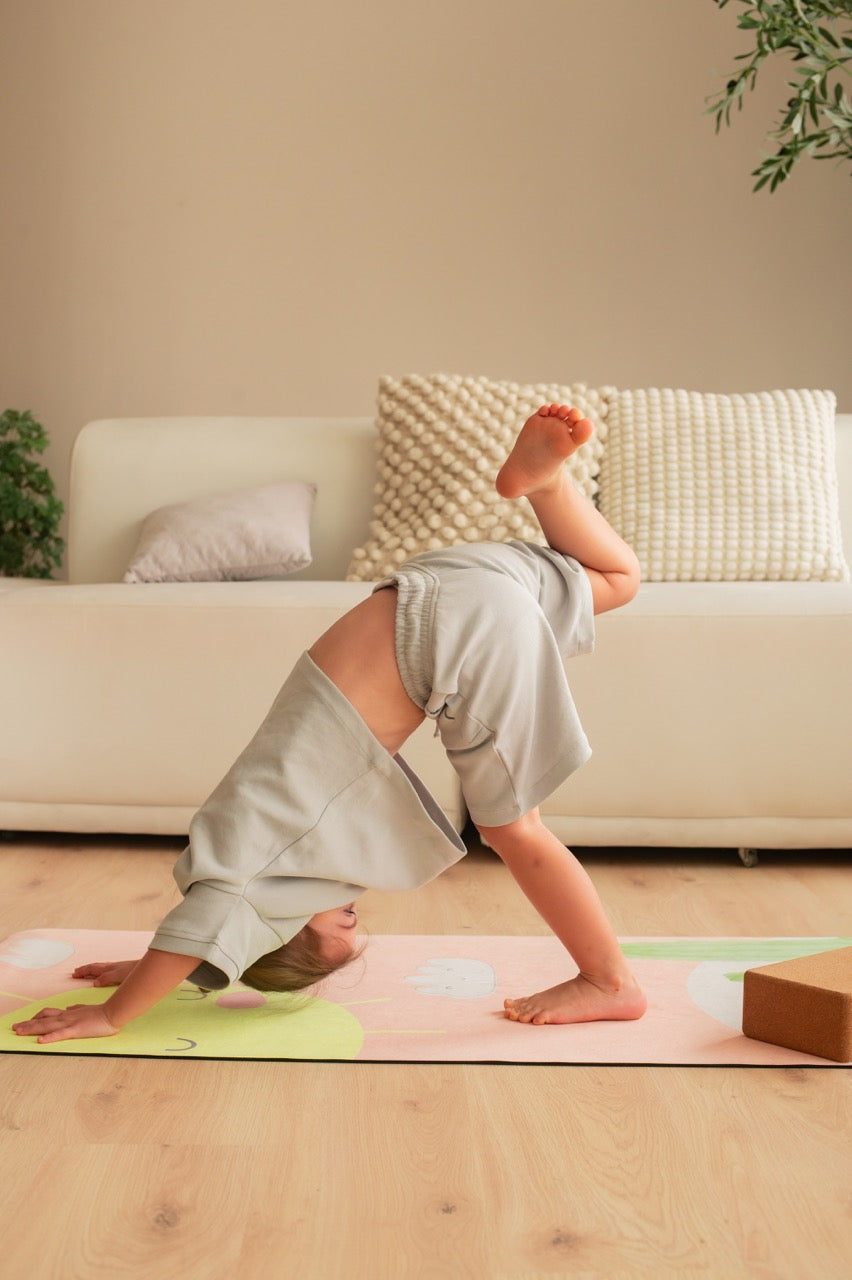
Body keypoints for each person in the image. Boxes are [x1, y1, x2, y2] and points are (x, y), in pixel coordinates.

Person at [13, 404, 647, 1045]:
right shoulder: (248, 839)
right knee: (620, 580)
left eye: (341, 924)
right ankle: (547, 489)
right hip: (443, 582)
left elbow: (205, 927)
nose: (354, 912)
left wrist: (117, 1008)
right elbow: (202, 937)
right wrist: (184, 969)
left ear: (278, 924)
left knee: (517, 830)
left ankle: (609, 980)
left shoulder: (245, 868)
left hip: (449, 634)